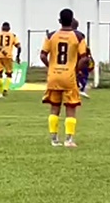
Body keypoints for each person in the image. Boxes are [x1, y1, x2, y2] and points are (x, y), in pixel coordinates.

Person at [40, 8, 88, 147]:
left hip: (54, 76)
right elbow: (84, 58)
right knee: (71, 107)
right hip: (69, 76)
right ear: (72, 20)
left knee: (55, 107)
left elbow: (43, 55)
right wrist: (76, 69)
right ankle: (68, 139)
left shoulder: (51, 35)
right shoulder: (78, 37)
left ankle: (54, 139)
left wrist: (51, 67)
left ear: (59, 20)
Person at [0, 22, 22, 97]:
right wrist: (18, 56)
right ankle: (5, 88)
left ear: (2, 28)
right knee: (9, 74)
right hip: (8, 56)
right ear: (9, 28)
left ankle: (0, 92)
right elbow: (19, 46)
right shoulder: (13, 35)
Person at [72, 18, 93, 98]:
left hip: (73, 57)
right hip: (80, 57)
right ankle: (81, 88)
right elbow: (83, 47)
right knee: (82, 72)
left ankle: (79, 87)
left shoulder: (67, 34)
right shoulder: (80, 35)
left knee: (77, 73)